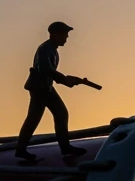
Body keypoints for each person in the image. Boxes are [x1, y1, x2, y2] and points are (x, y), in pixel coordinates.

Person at [15, 21, 87, 162]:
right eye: (64, 34)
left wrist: (67, 80)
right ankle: (23, 149)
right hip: (40, 89)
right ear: (55, 35)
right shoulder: (45, 49)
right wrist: (65, 80)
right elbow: (46, 70)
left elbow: (51, 72)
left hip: (45, 88)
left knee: (50, 115)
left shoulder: (52, 50)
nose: (66, 37)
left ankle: (22, 149)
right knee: (47, 116)